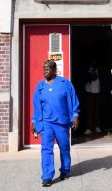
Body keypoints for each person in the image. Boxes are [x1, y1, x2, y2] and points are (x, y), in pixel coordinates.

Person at [31, 59, 80, 187]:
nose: (45, 72)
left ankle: (65, 169)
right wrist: (34, 121)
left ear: (54, 71)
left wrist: (75, 115)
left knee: (64, 148)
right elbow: (36, 106)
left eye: (47, 69)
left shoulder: (65, 83)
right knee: (46, 149)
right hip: (46, 123)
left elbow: (73, 99)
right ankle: (47, 176)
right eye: (43, 69)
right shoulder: (40, 86)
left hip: (62, 123)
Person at [82, 58, 102, 135]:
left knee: (97, 110)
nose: (93, 63)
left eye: (95, 62)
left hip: (97, 92)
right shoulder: (87, 69)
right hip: (89, 92)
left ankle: (97, 126)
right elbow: (83, 79)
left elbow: (103, 81)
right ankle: (89, 128)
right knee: (89, 110)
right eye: (92, 62)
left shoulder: (99, 70)